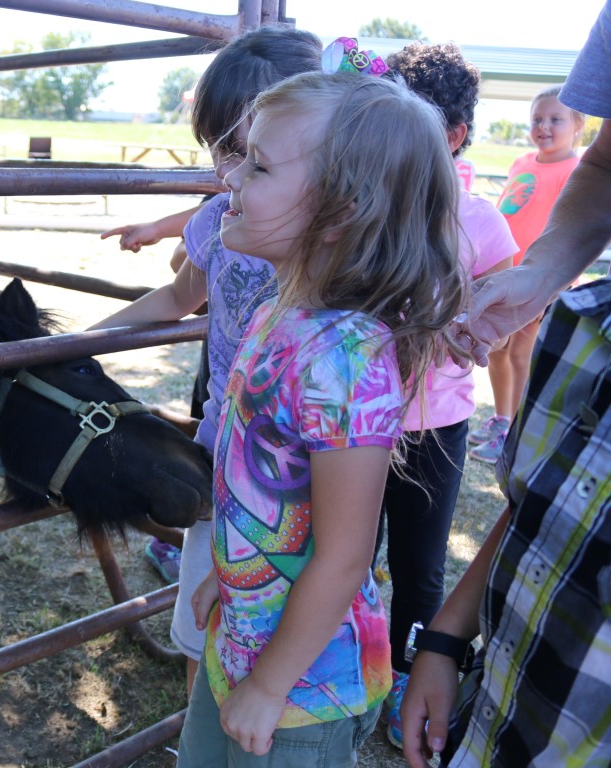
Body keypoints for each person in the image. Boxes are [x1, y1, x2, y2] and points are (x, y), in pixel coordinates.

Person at [177, 68, 467, 766]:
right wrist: (232, 571)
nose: (232, 177)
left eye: (259, 165)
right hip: (242, 639)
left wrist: (269, 686)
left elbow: (343, 557)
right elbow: (266, 492)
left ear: (339, 213)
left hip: (302, 690)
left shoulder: (345, 359)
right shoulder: (278, 315)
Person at [401, 3, 611, 765]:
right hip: (514, 702)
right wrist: (447, 641)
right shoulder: (589, 335)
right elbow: (543, 509)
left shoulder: (477, 220)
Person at [87, 24, 323, 691]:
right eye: (221, 148)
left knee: (291, 619)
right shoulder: (217, 221)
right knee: (205, 617)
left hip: (308, 467)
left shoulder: (340, 244)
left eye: (250, 153)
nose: (229, 171)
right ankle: (197, 723)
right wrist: (77, 344)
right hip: (222, 450)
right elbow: (177, 295)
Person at [374, 41, 518, 750]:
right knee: (344, 550)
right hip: (356, 421)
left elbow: (512, 302)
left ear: (455, 134)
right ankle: (343, 664)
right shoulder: (363, 200)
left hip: (435, 425)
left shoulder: (480, 220)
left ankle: (408, 677)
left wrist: (471, 330)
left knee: (419, 565)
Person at [467, 85, 586, 464]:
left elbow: (576, 232)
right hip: (506, 274)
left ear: (578, 125)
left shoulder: (576, 171)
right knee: (496, 350)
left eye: (555, 119)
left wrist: (555, 284)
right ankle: (502, 419)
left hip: (539, 283)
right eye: (537, 119)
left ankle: (514, 434)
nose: (543, 126)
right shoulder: (521, 162)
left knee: (520, 354)